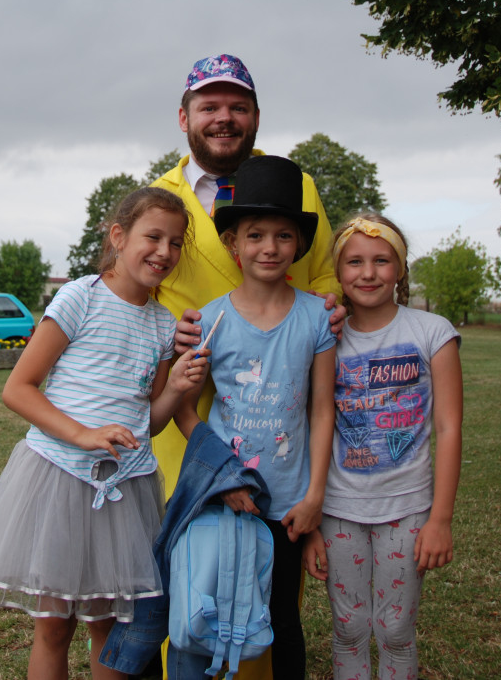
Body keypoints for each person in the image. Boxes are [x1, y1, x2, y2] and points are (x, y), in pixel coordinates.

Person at [0, 188, 210, 680]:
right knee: (54, 628)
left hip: (124, 493)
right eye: (153, 237)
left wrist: (178, 387)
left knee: (109, 629)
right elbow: (19, 389)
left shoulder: (163, 325)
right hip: (59, 480)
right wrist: (81, 434)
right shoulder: (80, 296)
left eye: (176, 243)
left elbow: (150, 420)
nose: (165, 251)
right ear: (119, 236)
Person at [172, 156, 337, 679]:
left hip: (288, 506)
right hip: (223, 502)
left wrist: (313, 499)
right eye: (256, 235)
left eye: (284, 235)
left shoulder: (317, 318)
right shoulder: (209, 320)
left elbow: (321, 407)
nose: (270, 247)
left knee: (284, 621)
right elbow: (183, 410)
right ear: (233, 244)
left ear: (300, 245)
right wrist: (221, 481)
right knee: (208, 617)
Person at [150, 53, 344, 497]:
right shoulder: (157, 199)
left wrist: (333, 305)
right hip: (185, 416)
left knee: (274, 552)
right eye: (209, 107)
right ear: (184, 117)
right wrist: (167, 333)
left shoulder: (300, 187)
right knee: (193, 556)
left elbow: (326, 275)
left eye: (238, 108)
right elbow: (134, 297)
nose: (225, 119)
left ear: (256, 117)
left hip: (278, 420)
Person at [303, 213, 463, 680]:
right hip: (338, 509)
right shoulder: (323, 336)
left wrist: (441, 519)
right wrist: (312, 524)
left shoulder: (432, 332)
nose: (367, 273)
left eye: (381, 261)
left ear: (401, 268)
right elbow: (312, 424)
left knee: (396, 630)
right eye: (354, 262)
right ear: (338, 269)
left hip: (408, 509)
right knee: (349, 627)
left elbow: (449, 428)